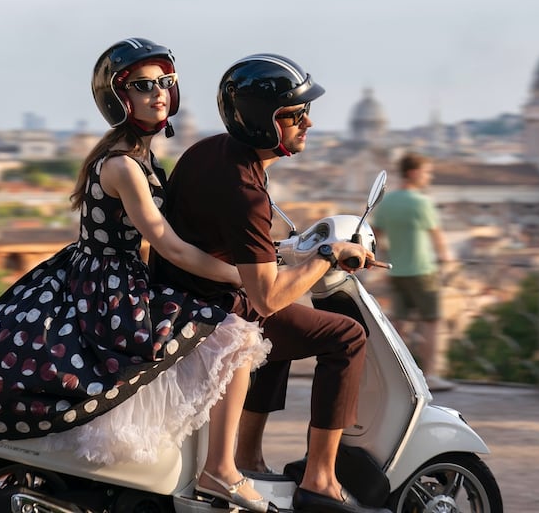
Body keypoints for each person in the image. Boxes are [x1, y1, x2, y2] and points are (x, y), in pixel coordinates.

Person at [0, 38, 275, 513]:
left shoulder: (136, 156)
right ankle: (221, 470)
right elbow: (169, 244)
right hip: (111, 288)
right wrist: (242, 276)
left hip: (104, 278)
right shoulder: (123, 165)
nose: (158, 93)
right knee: (235, 337)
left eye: (165, 83)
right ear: (120, 98)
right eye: (143, 86)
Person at [154, 53, 391, 513]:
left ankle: (248, 454)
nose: (309, 123)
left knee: (288, 328)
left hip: (181, 296)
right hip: (208, 311)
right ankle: (321, 479)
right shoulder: (245, 190)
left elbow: (224, 241)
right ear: (265, 123)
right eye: (295, 115)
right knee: (344, 336)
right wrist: (327, 255)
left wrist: (285, 252)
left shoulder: (210, 151)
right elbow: (264, 297)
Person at [371, 151, 455, 392]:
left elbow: (375, 236)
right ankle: (430, 375)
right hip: (422, 270)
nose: (430, 177)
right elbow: (437, 238)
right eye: (427, 172)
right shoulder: (422, 203)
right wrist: (447, 259)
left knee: (399, 324)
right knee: (431, 322)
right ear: (414, 173)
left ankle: (394, 374)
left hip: (396, 271)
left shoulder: (386, 202)